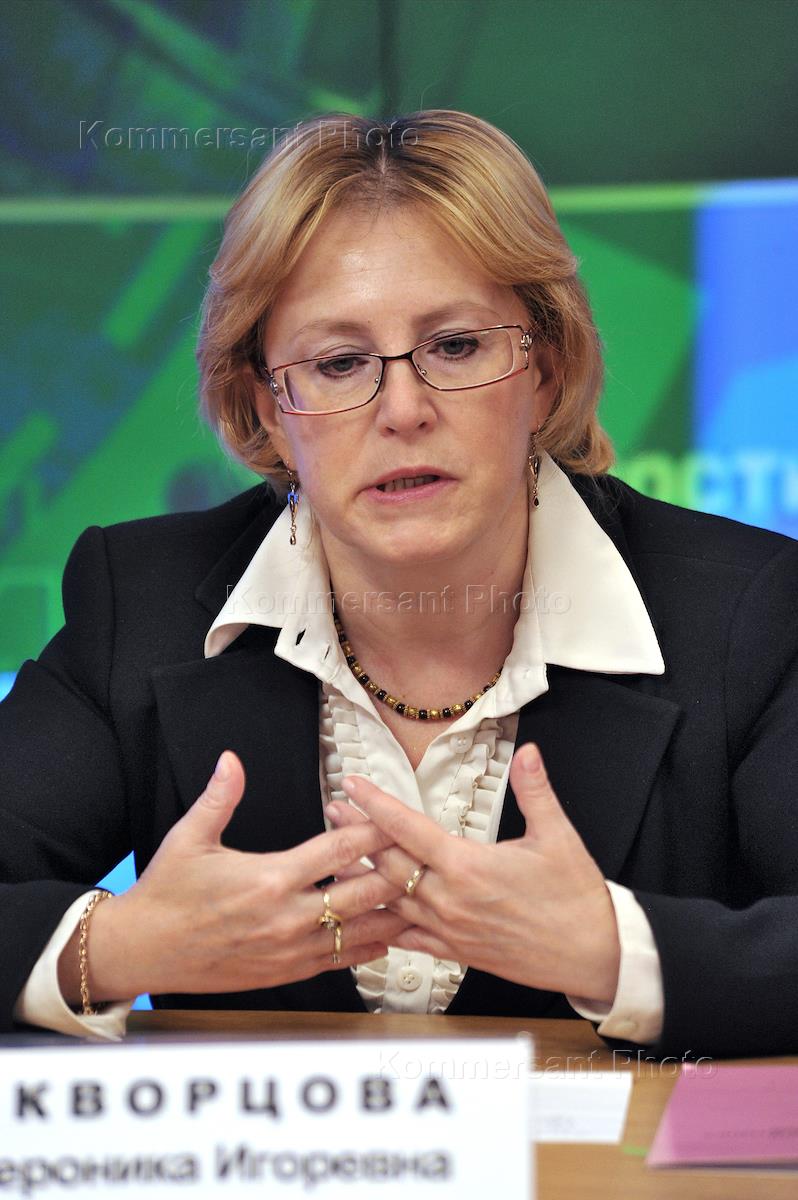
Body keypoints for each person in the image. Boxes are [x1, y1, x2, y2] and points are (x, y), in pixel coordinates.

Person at [2, 110, 797, 1059]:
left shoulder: (747, 610)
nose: (404, 410)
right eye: (339, 363)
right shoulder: (145, 602)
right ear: (268, 406)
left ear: (544, 369)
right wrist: (119, 945)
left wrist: (615, 952)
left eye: (455, 346)